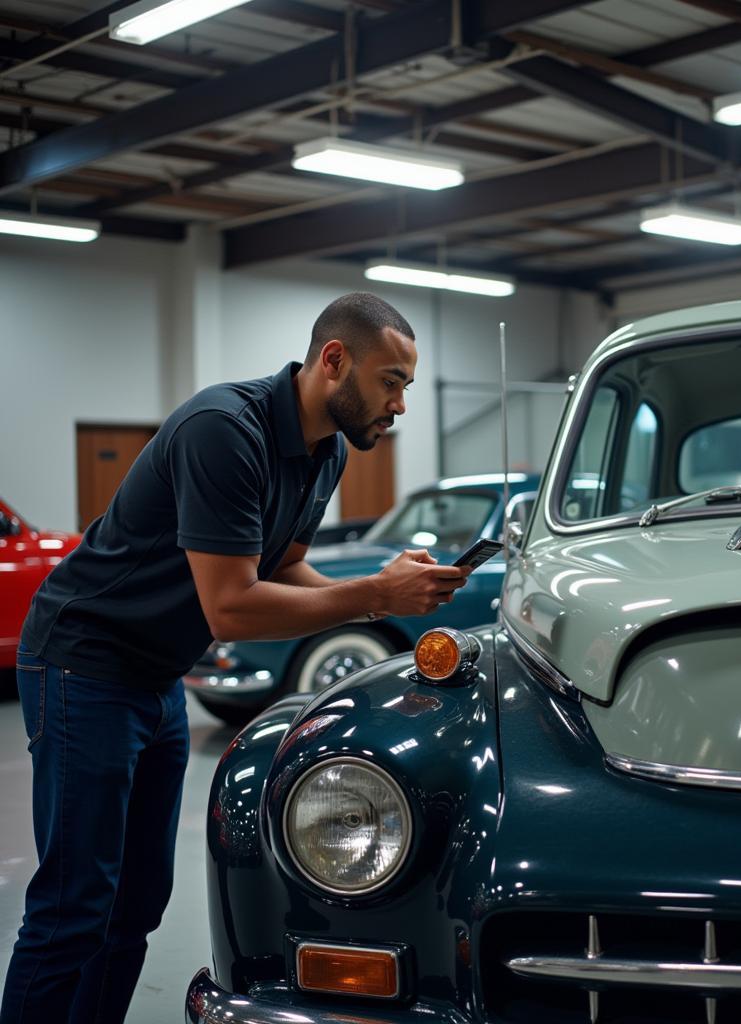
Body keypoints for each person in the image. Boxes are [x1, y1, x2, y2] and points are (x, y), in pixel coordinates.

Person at [1, 292, 468, 1024]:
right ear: (334, 361)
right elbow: (232, 606)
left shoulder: (328, 452)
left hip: (155, 676)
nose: (400, 404)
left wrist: (384, 594)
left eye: (406, 385)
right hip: (83, 662)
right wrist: (377, 594)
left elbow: (282, 568)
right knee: (75, 902)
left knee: (138, 902)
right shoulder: (226, 430)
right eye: (391, 381)